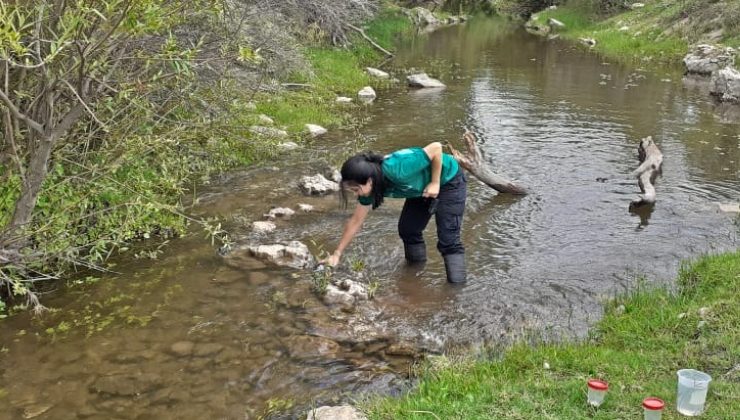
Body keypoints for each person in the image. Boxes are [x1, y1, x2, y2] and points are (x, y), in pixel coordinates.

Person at [321, 142, 467, 283]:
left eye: (356, 190)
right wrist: (337, 254)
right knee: (408, 230)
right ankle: (414, 273)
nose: (355, 194)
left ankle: (455, 292)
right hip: (419, 188)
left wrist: (435, 183)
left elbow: (436, 147)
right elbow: (355, 222)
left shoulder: (397, 168)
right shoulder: (369, 190)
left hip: (448, 180)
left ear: (369, 181)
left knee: (449, 240)